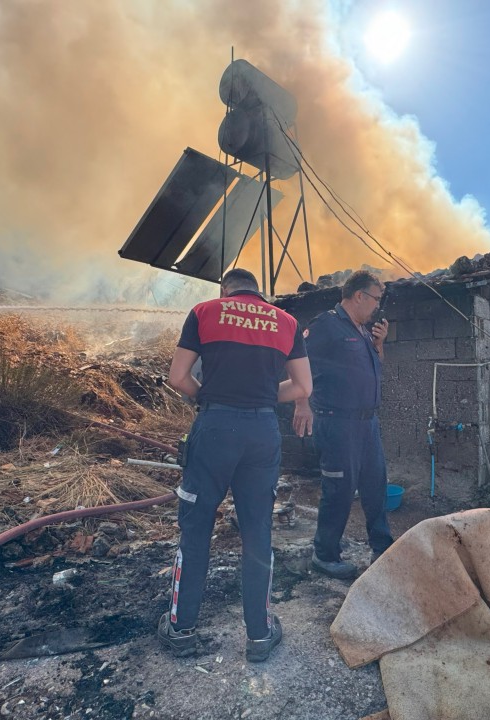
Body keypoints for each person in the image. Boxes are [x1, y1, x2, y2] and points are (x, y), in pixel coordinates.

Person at [159, 268, 311, 663]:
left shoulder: (204, 312)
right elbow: (303, 387)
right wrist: (260, 397)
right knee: (257, 531)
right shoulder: (287, 322)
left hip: (215, 427)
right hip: (262, 431)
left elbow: (178, 376)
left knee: (196, 527)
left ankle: (181, 630)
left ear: (224, 291)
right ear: (257, 291)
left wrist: (210, 397)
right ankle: (259, 635)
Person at [292, 270, 394, 580]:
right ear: (359, 296)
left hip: (367, 423)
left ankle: (382, 547)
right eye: (376, 299)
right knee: (338, 490)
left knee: (376, 486)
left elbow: (375, 367)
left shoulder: (363, 331)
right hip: (337, 423)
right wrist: (301, 403)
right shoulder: (326, 325)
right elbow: (300, 363)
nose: (378, 306)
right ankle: (325, 555)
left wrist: (379, 344)